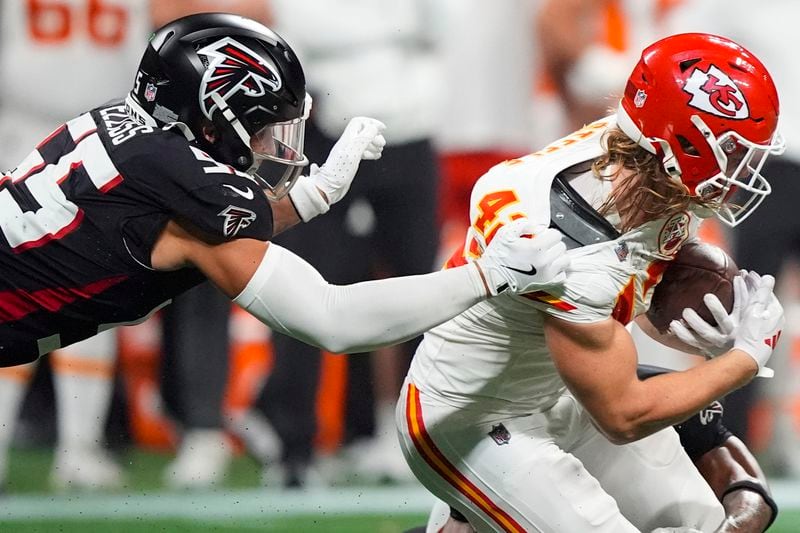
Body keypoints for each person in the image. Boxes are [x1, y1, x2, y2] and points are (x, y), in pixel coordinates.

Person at [0, 9, 570, 420]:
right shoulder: (187, 195)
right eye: (266, 123)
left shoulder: (120, 128)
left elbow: (218, 216)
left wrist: (311, 198)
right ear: (216, 113)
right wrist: (486, 276)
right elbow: (333, 318)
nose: (276, 143)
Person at [395, 32, 785, 532]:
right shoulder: (574, 251)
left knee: (704, 522)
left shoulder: (636, 160)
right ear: (683, 142)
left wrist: (699, 330)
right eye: (731, 149)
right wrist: (745, 357)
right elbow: (624, 414)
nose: (742, 168)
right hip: (474, 418)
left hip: (557, 387)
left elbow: (628, 295)